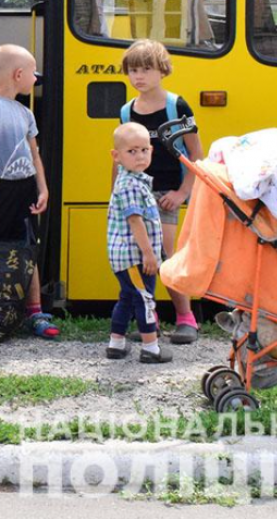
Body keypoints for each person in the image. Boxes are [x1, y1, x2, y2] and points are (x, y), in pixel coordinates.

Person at [0, 44, 57, 340]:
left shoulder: (25, 113)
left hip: (25, 188)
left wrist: (42, 189)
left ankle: (34, 311)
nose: (35, 79)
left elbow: (35, 155)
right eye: (33, 74)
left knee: (26, 247)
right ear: (18, 75)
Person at [119, 39, 205, 344]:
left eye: (145, 69)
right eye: (133, 70)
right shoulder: (127, 111)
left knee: (166, 255)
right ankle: (148, 319)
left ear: (162, 71)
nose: (138, 76)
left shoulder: (176, 106)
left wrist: (183, 192)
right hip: (137, 194)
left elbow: (195, 153)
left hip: (168, 192)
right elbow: (122, 156)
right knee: (139, 256)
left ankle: (186, 318)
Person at [106, 122, 172, 363]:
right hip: (135, 257)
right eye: (132, 151)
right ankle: (150, 347)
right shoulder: (131, 185)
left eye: (144, 150)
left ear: (152, 151)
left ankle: (116, 343)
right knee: (145, 299)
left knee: (127, 297)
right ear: (116, 156)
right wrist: (149, 255)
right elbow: (136, 222)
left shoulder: (135, 180)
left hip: (129, 257)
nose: (140, 156)